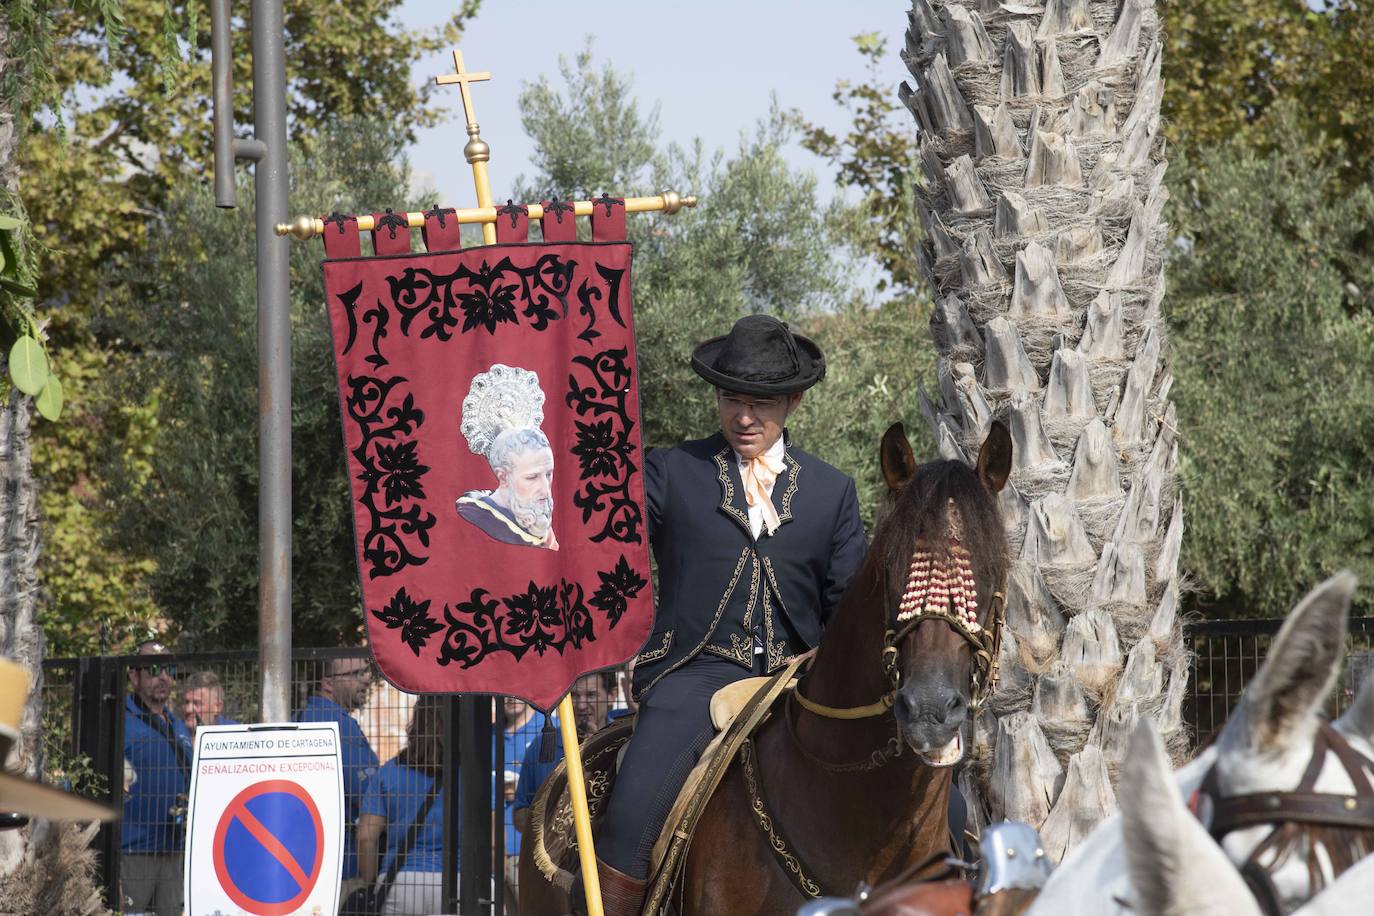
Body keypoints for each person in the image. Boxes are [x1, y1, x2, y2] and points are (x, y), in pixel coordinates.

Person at [590, 314, 868, 914]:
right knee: (631, 812)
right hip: (694, 677)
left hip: (800, 683)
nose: (745, 417)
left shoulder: (832, 491)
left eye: (762, 402)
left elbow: (845, 609)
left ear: (793, 400)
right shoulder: (670, 472)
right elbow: (602, 535)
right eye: (731, 399)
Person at [294, 657, 379, 895]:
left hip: (301, 867)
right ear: (328, 683)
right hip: (342, 867)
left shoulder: (300, 719)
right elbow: (371, 797)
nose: (367, 678)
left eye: (366, 671)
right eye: (356, 673)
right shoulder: (338, 726)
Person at [358, 697, 450, 916]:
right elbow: (494, 842)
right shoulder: (471, 773)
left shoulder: (389, 772)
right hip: (454, 880)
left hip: (398, 881)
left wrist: (373, 886)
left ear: (415, 722)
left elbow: (365, 838)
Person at [121, 639, 194, 916]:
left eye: (170, 669)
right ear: (134, 675)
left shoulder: (176, 723)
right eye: (154, 669)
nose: (163, 677)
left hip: (174, 848)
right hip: (134, 848)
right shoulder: (121, 720)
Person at [456, 364, 559, 550]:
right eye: (532, 477)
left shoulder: (542, 524)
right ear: (503, 476)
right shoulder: (477, 511)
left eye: (549, 474)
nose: (545, 490)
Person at [511, 671, 624, 837]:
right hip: (554, 855)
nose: (581, 705)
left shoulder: (623, 742)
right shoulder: (542, 747)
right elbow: (519, 814)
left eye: (591, 695)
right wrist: (553, 820)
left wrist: (597, 747)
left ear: (612, 695)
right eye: (574, 695)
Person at [179, 669, 238, 734]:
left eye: (197, 703)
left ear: (217, 707)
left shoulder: (235, 733)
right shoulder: (172, 733)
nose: (188, 709)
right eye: (186, 702)